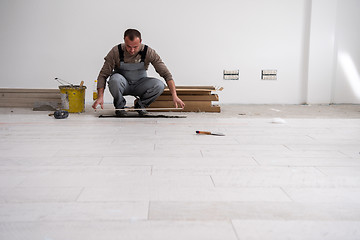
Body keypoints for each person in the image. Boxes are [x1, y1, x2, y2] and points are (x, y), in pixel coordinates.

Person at [92, 28, 185, 115]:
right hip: (123, 84)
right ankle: (119, 107)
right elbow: (103, 75)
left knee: (159, 85)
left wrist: (174, 95)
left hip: (140, 85)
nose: (132, 50)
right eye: (128, 46)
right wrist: (100, 96)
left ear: (140, 41)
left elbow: (166, 74)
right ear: (124, 40)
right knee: (114, 79)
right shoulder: (116, 51)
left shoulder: (149, 52)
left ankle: (140, 105)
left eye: (135, 47)